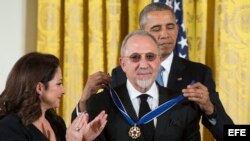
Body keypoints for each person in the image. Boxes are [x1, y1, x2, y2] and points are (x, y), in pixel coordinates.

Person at [110, 2, 233, 140]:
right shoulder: (120, 74)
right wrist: (83, 104)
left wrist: (210, 108)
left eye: (170, 27)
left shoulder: (198, 73)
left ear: (177, 29)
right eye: (156, 28)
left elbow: (232, 133)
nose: (164, 34)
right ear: (143, 32)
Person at [0, 52, 107, 141]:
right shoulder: (9, 127)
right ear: (40, 88)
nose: (63, 91)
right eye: (59, 84)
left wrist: (83, 138)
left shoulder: (56, 122)